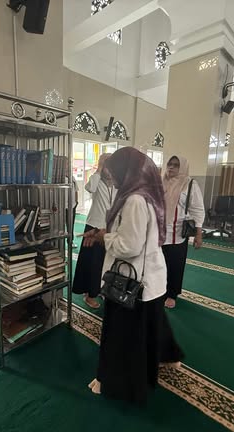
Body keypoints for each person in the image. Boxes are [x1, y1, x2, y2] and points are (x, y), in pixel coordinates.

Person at [82, 147, 184, 404]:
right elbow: (134, 231)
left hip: (132, 282)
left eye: (114, 172)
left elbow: (129, 246)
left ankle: (113, 382)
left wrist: (105, 238)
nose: (112, 178)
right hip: (151, 279)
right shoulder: (146, 194)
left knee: (120, 335)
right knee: (151, 323)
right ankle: (168, 357)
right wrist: (105, 231)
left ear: (127, 172)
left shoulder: (134, 200)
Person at [72, 153, 116, 309]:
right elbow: (89, 188)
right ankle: (90, 294)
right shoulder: (96, 180)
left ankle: (101, 289)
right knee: (92, 262)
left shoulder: (116, 184)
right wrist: (99, 167)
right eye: (106, 166)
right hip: (93, 227)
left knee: (106, 262)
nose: (109, 171)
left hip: (109, 229)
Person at [162, 155, 205, 309]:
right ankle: (158, 290)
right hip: (158, 232)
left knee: (175, 265)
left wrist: (198, 234)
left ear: (183, 167)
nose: (171, 167)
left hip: (177, 234)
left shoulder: (190, 184)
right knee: (158, 264)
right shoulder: (161, 182)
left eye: (176, 165)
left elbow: (198, 210)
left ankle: (171, 294)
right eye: (169, 164)